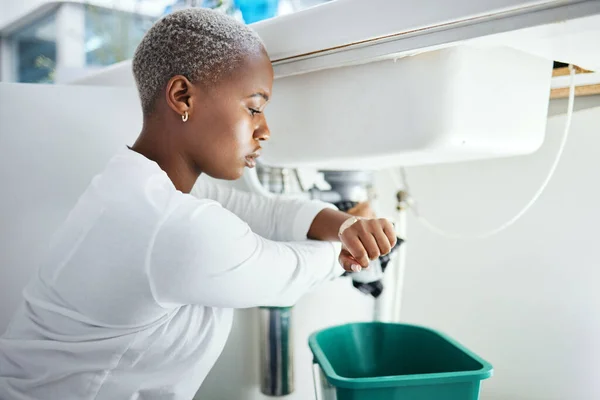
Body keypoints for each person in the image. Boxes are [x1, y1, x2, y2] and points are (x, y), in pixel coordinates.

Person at [0, 8, 396, 400]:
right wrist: (348, 249)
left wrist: (346, 226)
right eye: (254, 107)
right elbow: (285, 275)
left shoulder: (137, 184)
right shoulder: (168, 223)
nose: (265, 130)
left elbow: (271, 213)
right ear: (182, 96)